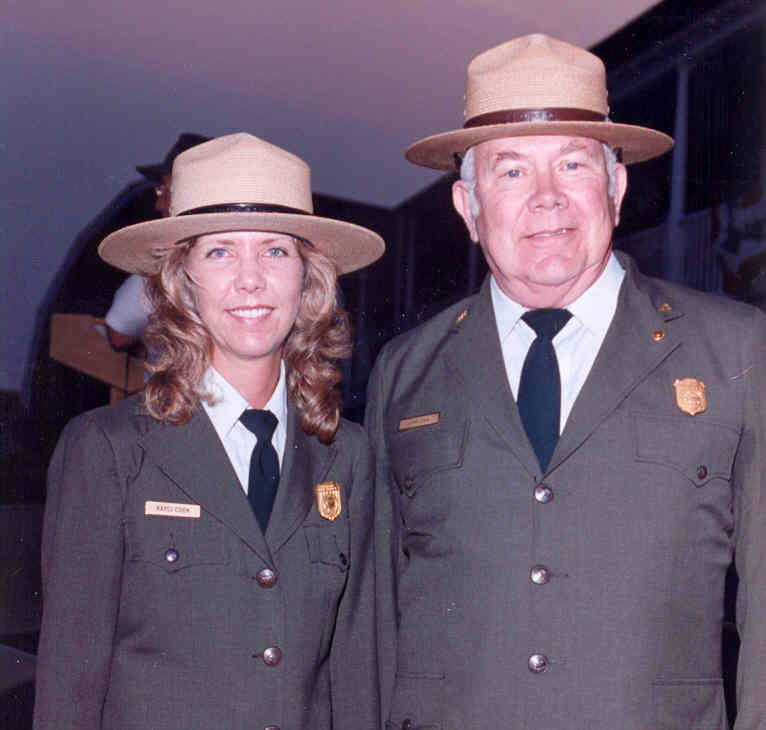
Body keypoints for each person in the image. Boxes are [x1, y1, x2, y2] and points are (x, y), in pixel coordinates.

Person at [367, 34, 766, 729]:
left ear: (615, 186)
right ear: (468, 206)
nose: (546, 198)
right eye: (511, 172)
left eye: (573, 164)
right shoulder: (406, 372)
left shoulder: (736, 349)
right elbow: (371, 618)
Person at [33, 133, 385, 730]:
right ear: (180, 281)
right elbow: (71, 683)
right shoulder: (109, 451)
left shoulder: (347, 457)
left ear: (308, 279)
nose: (251, 280)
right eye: (220, 252)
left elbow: (353, 677)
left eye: (275, 251)